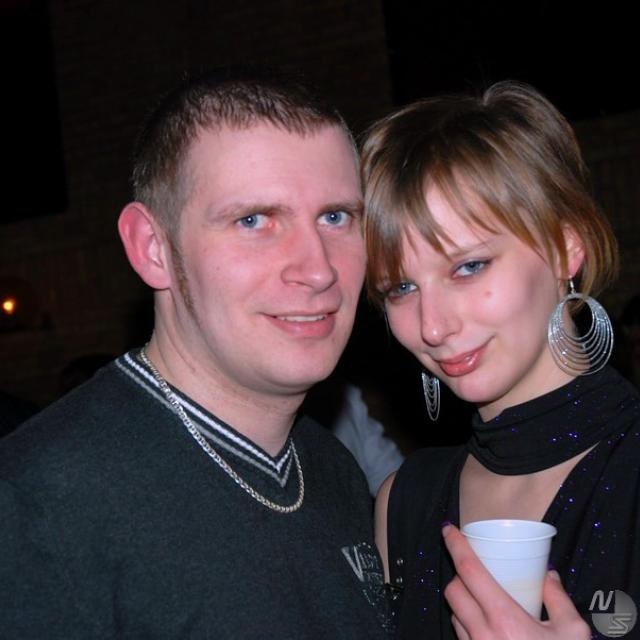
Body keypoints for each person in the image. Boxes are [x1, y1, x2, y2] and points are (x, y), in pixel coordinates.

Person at [0, 68, 387, 639]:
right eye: (253, 220)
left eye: (336, 217)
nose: (318, 269)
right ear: (153, 248)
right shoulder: (35, 504)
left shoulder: (333, 471)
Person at [363, 81, 633, 638]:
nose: (433, 327)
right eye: (401, 288)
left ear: (564, 247)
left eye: (468, 267)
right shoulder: (403, 504)